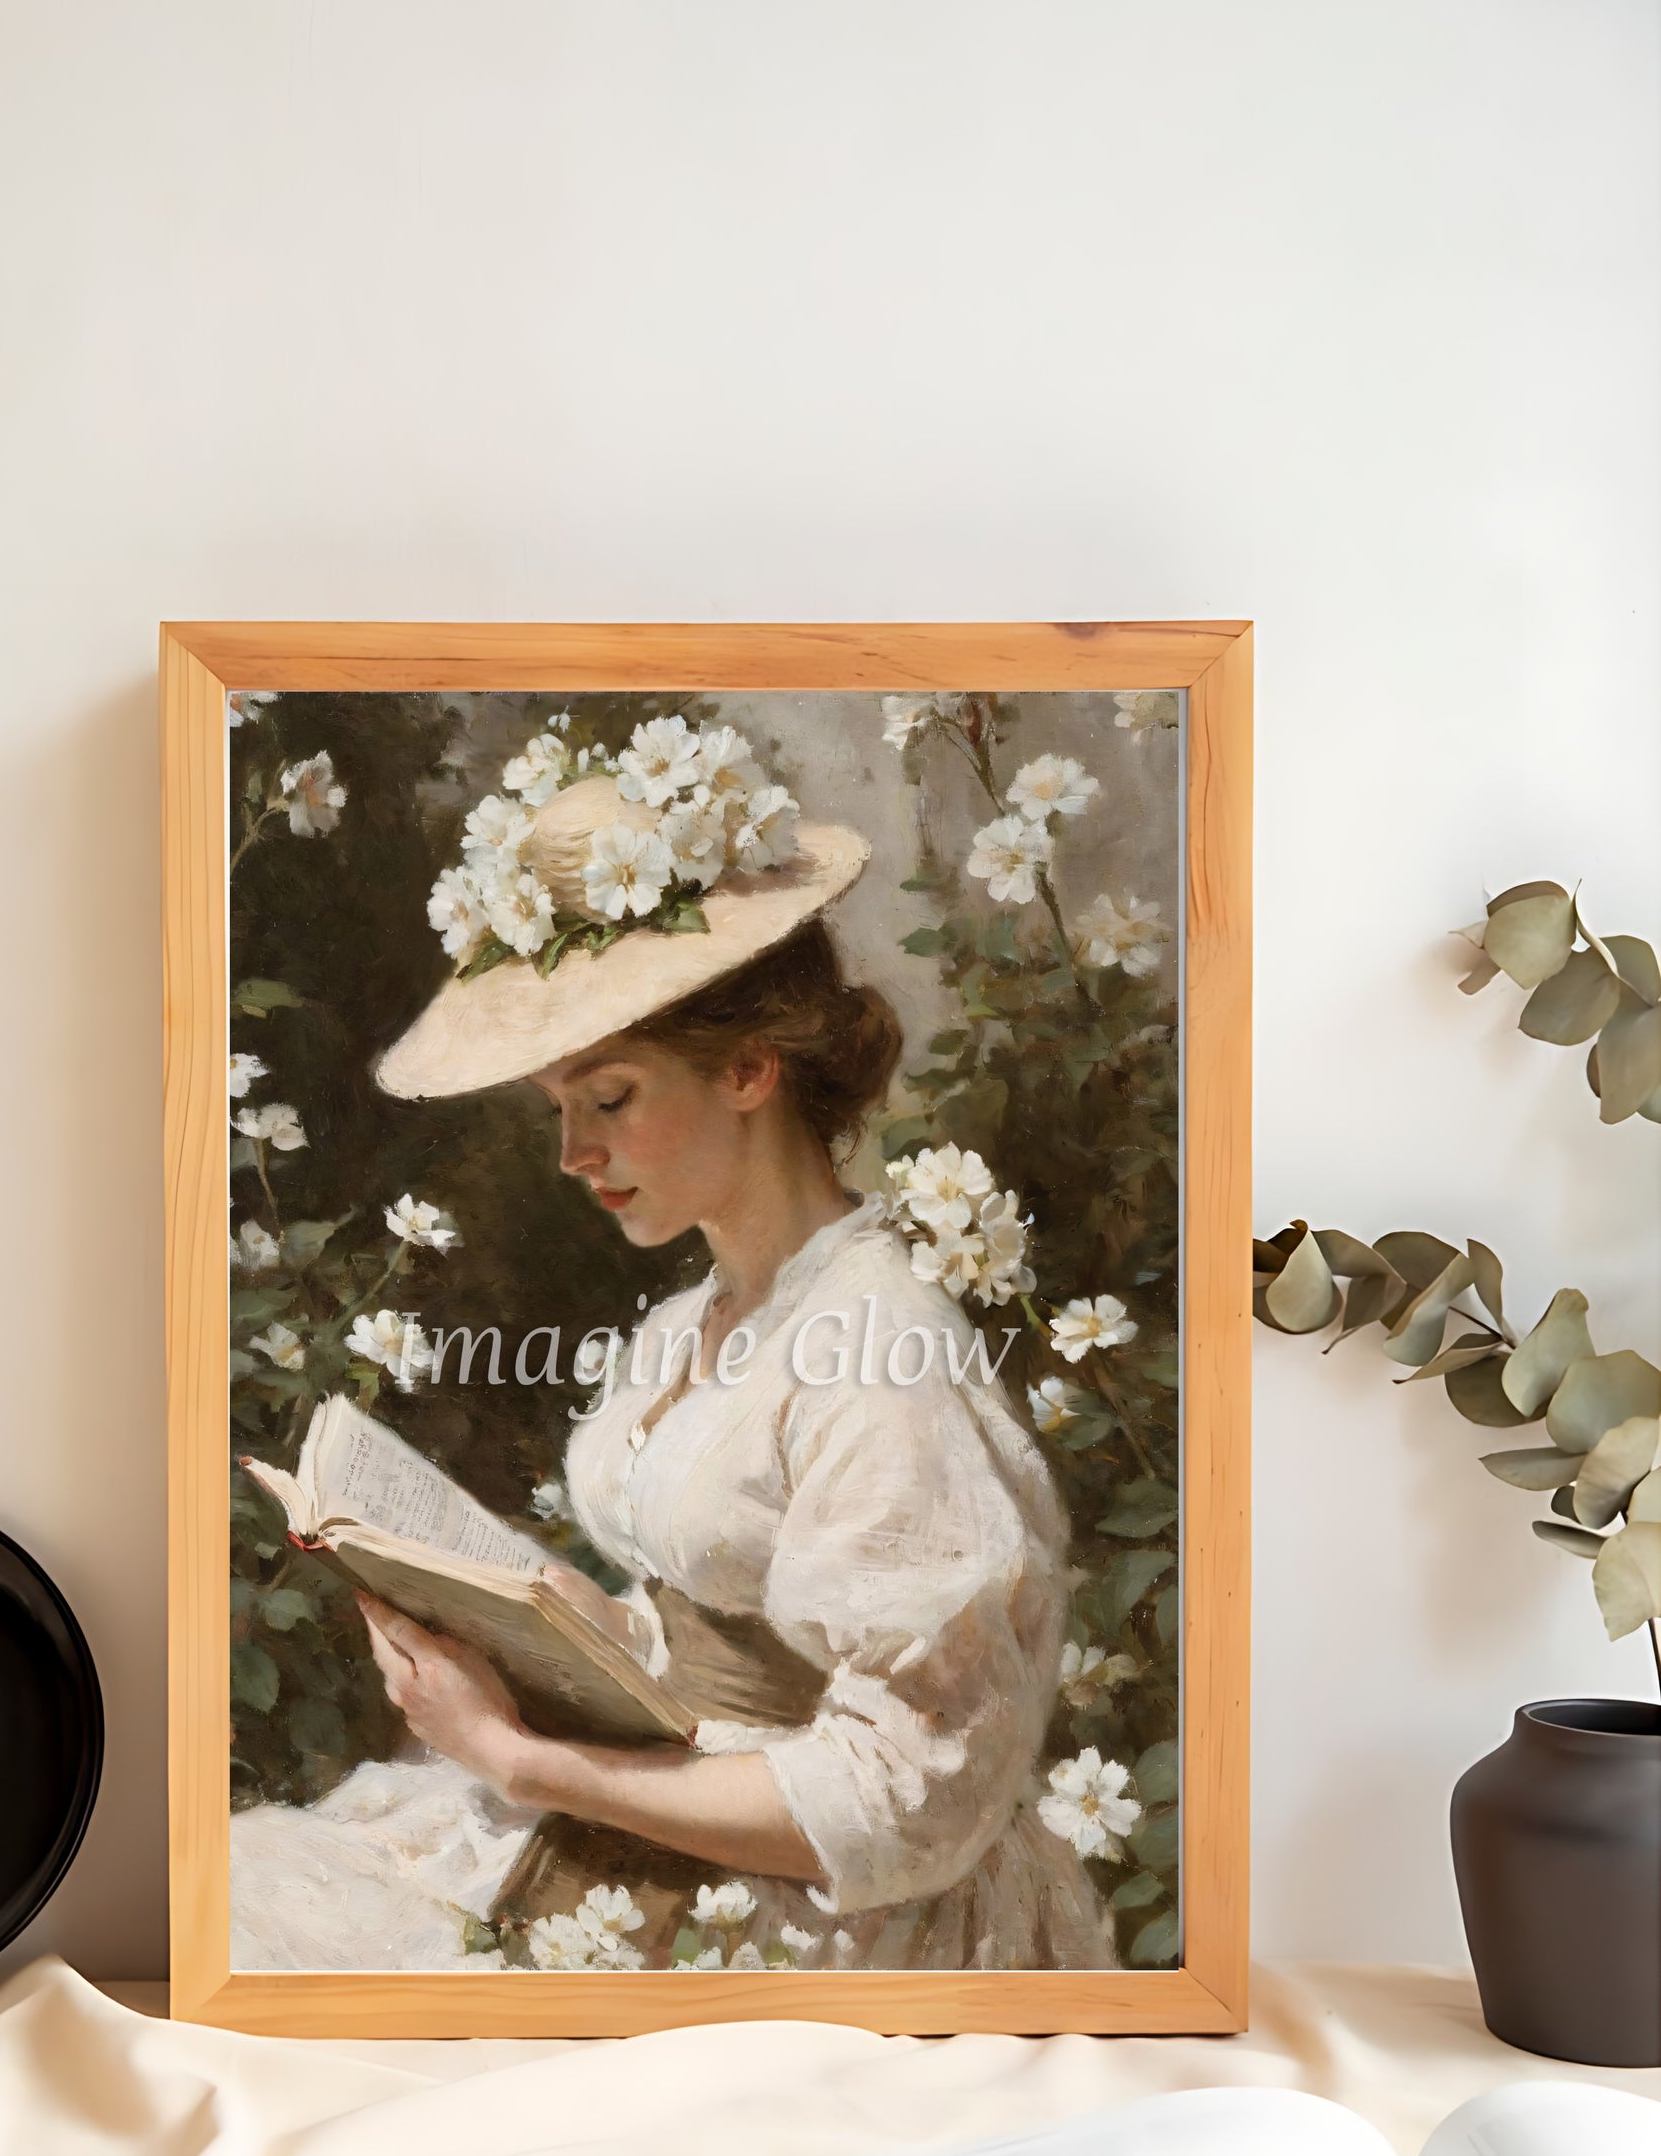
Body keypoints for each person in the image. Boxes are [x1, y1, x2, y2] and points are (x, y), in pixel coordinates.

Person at [229, 745, 1112, 1974]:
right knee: (248, 1893)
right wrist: (534, 1625)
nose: (571, 1152)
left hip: (825, 1902)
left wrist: (523, 1760)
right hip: (666, 1812)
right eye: (558, 1106)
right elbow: (708, 1632)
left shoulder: (877, 1349)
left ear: (748, 1069)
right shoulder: (687, 1326)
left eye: (610, 1095)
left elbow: (908, 1795)